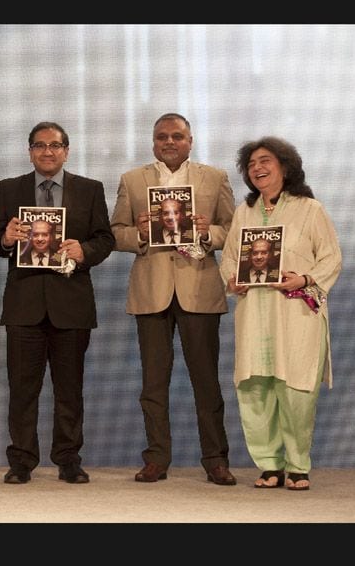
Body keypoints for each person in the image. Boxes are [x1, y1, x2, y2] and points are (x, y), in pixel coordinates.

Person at [110, 112, 237, 486]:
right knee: (153, 383)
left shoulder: (214, 178)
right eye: (163, 136)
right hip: (151, 291)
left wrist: (208, 232)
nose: (170, 142)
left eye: (177, 136)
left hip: (200, 289)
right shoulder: (132, 181)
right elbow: (115, 232)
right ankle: (156, 458)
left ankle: (216, 459)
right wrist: (141, 234)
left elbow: (233, 230)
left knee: (206, 381)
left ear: (190, 141)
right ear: (153, 143)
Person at [0, 122, 114, 485]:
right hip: (24, 304)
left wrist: (84, 250)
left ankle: (69, 459)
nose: (47, 152)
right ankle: (22, 460)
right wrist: (7, 239)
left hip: (71, 304)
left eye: (55, 145)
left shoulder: (89, 189)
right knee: (22, 389)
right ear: (30, 151)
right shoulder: (9, 189)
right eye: (40, 145)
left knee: (69, 389)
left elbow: (104, 238)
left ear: (66, 151)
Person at [220, 136, 342, 491]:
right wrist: (232, 280)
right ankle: (269, 465)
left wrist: (304, 278)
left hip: (296, 312)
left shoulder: (310, 209)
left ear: (285, 168)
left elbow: (331, 257)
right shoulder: (244, 212)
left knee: (296, 390)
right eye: (252, 164)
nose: (257, 168)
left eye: (265, 161)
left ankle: (298, 465)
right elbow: (230, 257)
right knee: (255, 387)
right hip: (254, 311)